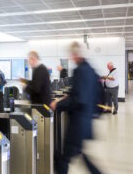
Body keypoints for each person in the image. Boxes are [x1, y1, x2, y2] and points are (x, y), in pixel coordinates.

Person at [51, 41, 102, 174]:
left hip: (77, 123)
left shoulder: (79, 70)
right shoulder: (91, 70)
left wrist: (58, 104)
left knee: (65, 157)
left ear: (76, 54)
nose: (71, 58)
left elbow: (78, 99)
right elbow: (97, 93)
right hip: (86, 121)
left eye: (72, 55)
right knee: (77, 154)